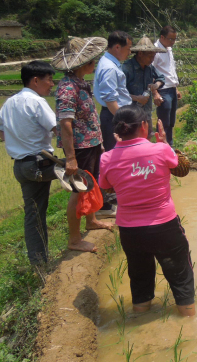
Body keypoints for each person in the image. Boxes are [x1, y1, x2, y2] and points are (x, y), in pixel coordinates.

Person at [98, 105, 195, 316]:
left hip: (130, 232)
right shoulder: (160, 150)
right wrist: (164, 142)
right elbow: (178, 166)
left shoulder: (106, 158)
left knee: (140, 279)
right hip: (165, 227)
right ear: (144, 125)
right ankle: (189, 322)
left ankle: (139, 324)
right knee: (181, 276)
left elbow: (106, 186)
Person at [53, 37, 114, 254]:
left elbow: (87, 117)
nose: (95, 63)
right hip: (80, 147)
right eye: (92, 60)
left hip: (91, 143)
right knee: (78, 190)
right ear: (83, 64)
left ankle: (92, 220)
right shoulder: (68, 88)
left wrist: (99, 142)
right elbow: (65, 123)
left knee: (91, 184)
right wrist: (70, 157)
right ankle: (74, 239)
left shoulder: (80, 83)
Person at [0, 61, 57, 264]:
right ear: (36, 80)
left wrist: (12, 140)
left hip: (21, 166)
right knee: (81, 172)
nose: (52, 84)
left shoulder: (10, 102)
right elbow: (57, 129)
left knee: (33, 215)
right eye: (49, 79)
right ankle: (85, 227)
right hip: (39, 165)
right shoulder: (37, 102)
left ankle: (38, 263)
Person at [93, 30, 133, 217]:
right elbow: (110, 100)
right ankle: (105, 204)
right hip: (113, 116)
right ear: (117, 47)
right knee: (113, 157)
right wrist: (123, 121)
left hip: (115, 115)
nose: (129, 52)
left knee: (117, 157)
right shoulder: (109, 67)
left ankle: (114, 196)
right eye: (128, 48)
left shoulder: (109, 63)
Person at [122, 35, 167, 138]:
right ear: (140, 53)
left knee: (147, 137)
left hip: (146, 112)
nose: (152, 59)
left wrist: (156, 85)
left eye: (153, 56)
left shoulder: (149, 67)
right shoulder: (127, 68)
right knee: (132, 139)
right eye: (150, 56)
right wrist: (136, 98)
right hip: (131, 113)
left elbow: (161, 78)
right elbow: (119, 92)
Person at [153, 26, 181, 146]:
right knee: (163, 123)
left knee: (170, 122)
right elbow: (151, 72)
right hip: (162, 90)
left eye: (174, 39)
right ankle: (162, 148)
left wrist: (176, 87)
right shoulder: (155, 50)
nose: (172, 42)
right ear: (162, 37)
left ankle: (169, 146)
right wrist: (155, 93)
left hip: (171, 89)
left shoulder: (168, 48)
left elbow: (170, 69)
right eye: (170, 39)